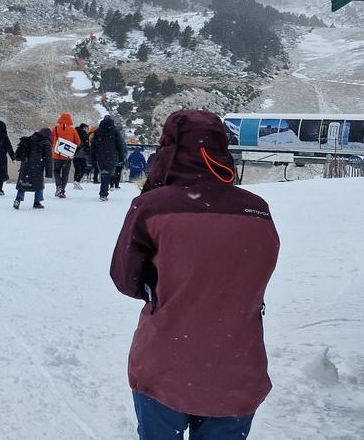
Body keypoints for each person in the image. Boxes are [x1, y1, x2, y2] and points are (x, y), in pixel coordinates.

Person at [110, 109, 279, 438]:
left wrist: (162, 288)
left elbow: (125, 277)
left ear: (168, 149)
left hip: (164, 365)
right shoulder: (256, 209)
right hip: (237, 368)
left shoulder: (152, 207)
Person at [13, 128, 52, 210]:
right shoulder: (46, 142)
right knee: (39, 184)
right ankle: (37, 202)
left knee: (23, 183)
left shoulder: (29, 139)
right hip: (37, 166)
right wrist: (49, 172)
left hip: (26, 165)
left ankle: (18, 199)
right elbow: (48, 159)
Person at [90, 116, 124, 201]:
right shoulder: (115, 132)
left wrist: (92, 157)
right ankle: (103, 193)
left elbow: (93, 145)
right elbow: (119, 145)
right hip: (111, 155)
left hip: (100, 155)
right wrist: (121, 156)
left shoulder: (98, 132)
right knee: (108, 173)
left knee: (104, 172)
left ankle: (103, 190)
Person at [51, 113, 81, 198]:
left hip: (57, 155)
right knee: (65, 174)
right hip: (67, 156)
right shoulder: (73, 130)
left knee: (56, 172)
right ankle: (62, 191)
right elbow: (78, 142)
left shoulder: (55, 129)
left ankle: (58, 186)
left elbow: (50, 140)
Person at [72, 122, 91, 189]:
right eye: (87, 128)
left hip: (74, 153)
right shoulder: (84, 134)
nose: (88, 130)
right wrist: (88, 151)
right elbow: (86, 145)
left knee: (77, 169)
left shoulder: (75, 132)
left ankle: (75, 183)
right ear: (84, 128)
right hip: (82, 153)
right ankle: (77, 181)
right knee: (84, 168)